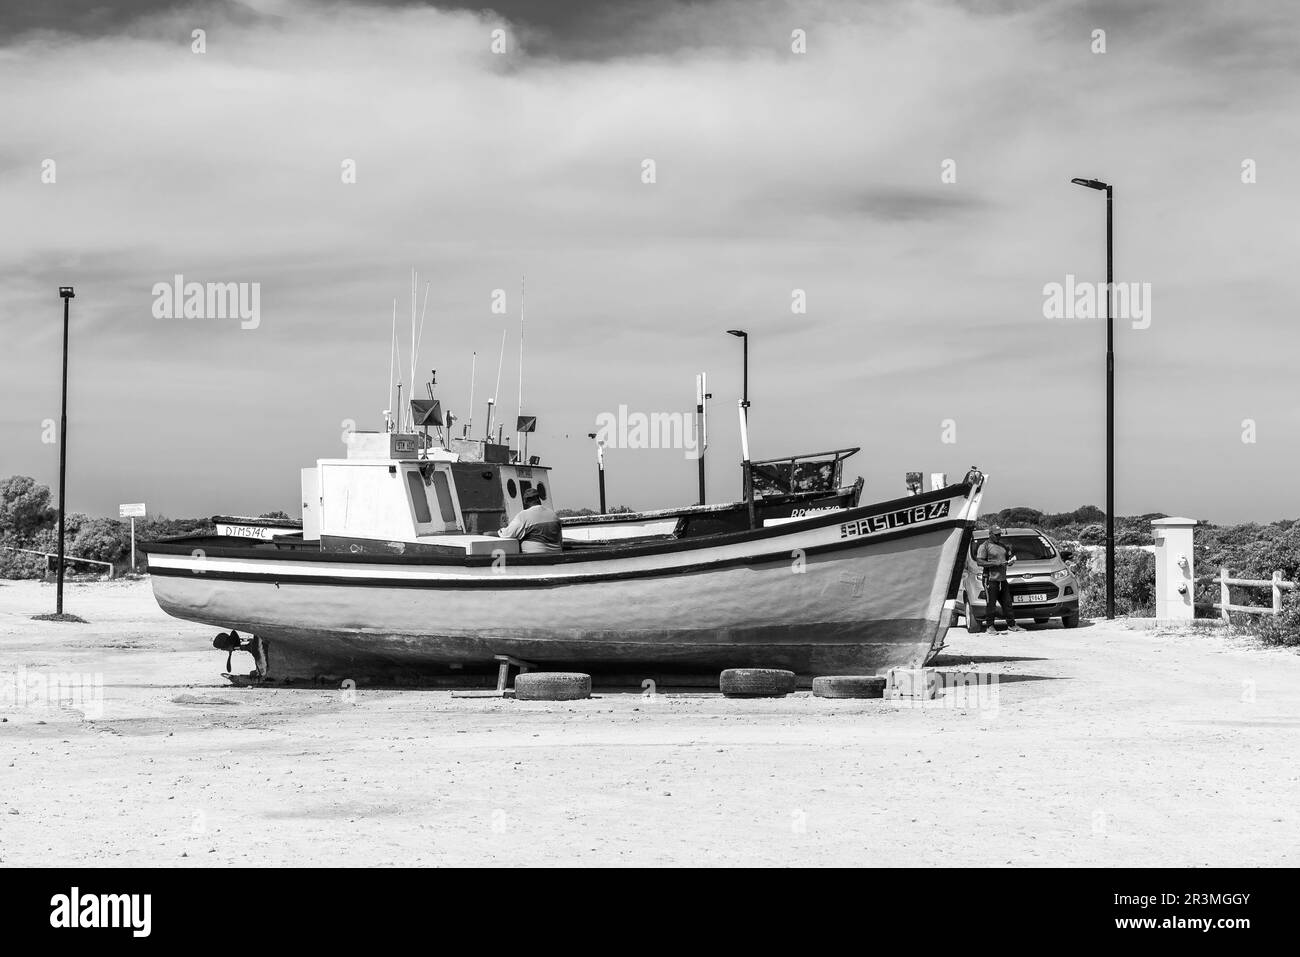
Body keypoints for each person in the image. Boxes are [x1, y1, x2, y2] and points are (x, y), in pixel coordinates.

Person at [975, 525, 1021, 632]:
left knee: (1007, 603)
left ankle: (1011, 624)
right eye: (996, 534)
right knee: (991, 604)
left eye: (999, 534)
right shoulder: (984, 546)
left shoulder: (1002, 546)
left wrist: (1010, 562)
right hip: (990, 579)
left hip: (1002, 579)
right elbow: (979, 562)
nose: (998, 536)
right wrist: (994, 563)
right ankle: (990, 626)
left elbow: (1006, 558)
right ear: (990, 534)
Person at [496, 487, 562, 553]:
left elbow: (507, 534)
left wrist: (502, 527)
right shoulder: (553, 514)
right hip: (557, 554)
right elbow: (560, 539)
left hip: (536, 557)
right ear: (539, 499)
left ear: (525, 501)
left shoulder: (524, 515)